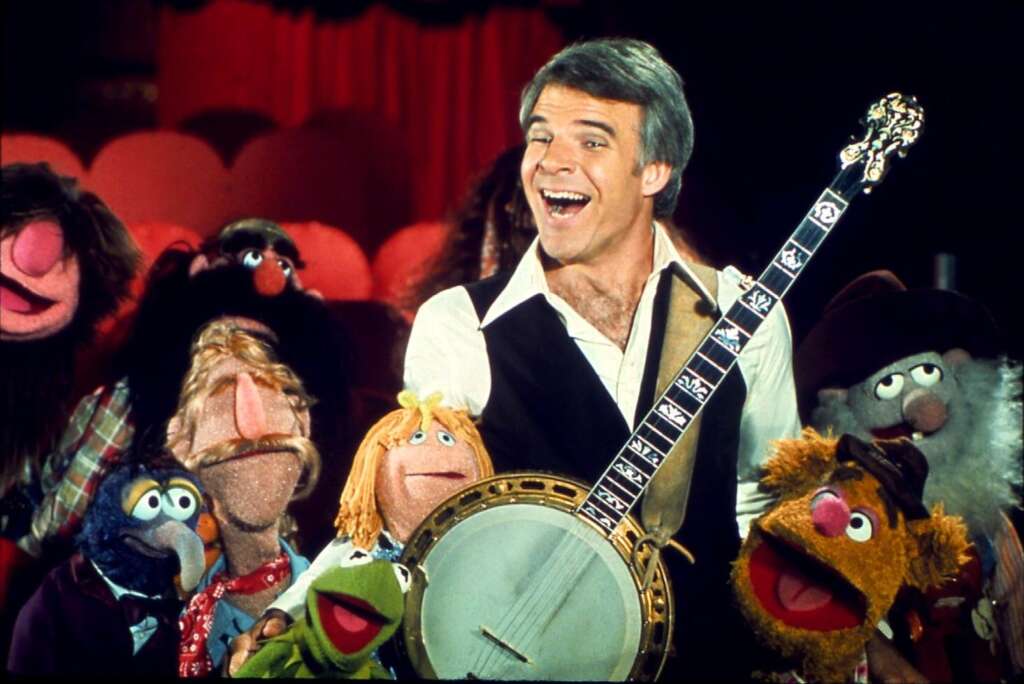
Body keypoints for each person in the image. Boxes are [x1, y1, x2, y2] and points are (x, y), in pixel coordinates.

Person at [403, 37, 800, 679]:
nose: (553, 162)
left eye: (591, 141)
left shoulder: (743, 312)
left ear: (655, 171)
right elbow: (412, 514)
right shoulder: (457, 324)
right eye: (541, 137)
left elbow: (763, 502)